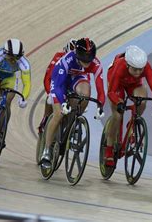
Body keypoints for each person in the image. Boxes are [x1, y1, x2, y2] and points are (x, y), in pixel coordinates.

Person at [40, 38, 105, 168]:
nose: (86, 62)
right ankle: (46, 151)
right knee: (58, 114)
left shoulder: (96, 64)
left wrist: (100, 106)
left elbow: (100, 89)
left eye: (89, 59)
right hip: (60, 80)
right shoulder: (66, 60)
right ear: (77, 55)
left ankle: (72, 121)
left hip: (77, 79)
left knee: (85, 93)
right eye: (83, 59)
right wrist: (62, 102)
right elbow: (57, 85)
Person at [104, 45, 152, 166]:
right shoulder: (120, 66)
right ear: (127, 65)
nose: (138, 72)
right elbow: (111, 92)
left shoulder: (145, 66)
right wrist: (119, 103)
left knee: (142, 101)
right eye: (135, 69)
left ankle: (132, 125)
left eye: (140, 70)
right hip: (117, 84)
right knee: (117, 115)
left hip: (133, 84)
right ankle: (108, 149)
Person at [37, 38, 76, 135]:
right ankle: (45, 118)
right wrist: (50, 93)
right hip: (58, 82)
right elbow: (47, 78)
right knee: (50, 99)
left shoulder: (79, 61)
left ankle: (72, 125)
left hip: (70, 85)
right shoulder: (58, 57)